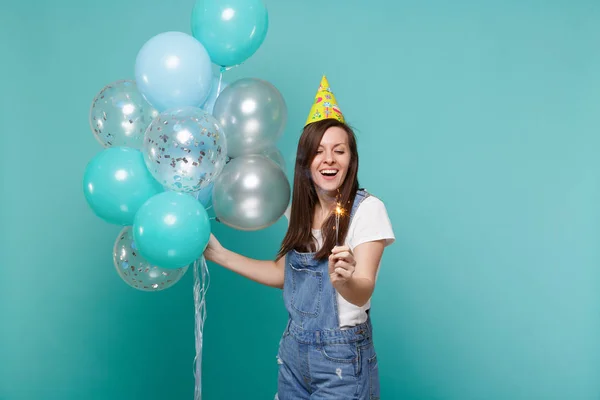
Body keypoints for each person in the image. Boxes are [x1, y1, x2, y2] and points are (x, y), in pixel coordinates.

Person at [204, 76, 395, 399]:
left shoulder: (368, 210)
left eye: (339, 151)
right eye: (318, 151)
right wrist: (221, 255)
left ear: (351, 160)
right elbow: (285, 275)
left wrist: (344, 280)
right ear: (305, 161)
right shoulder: (298, 211)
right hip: (293, 353)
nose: (329, 159)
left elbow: (362, 290)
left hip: (341, 362)